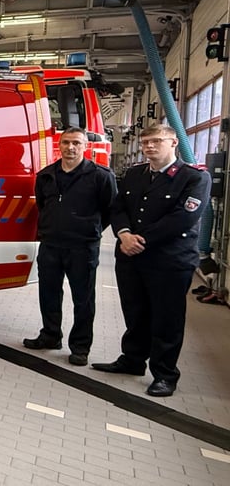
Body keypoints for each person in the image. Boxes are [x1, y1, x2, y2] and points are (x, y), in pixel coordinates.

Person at [92, 125, 211, 397]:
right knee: (135, 313)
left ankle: (165, 375)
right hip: (131, 260)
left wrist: (138, 241)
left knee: (166, 320)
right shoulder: (135, 174)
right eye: (145, 142)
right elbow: (118, 207)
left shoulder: (193, 178)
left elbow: (183, 218)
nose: (149, 146)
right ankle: (132, 360)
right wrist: (123, 234)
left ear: (173, 143)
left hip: (169, 262)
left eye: (157, 141)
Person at [22, 128, 116, 366]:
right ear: (59, 145)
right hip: (51, 245)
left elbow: (109, 210)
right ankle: (50, 335)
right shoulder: (46, 176)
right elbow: (43, 205)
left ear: (85, 147)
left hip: (82, 247)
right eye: (65, 142)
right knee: (49, 293)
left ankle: (80, 347)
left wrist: (89, 230)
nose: (70, 147)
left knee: (83, 299)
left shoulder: (100, 176)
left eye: (76, 143)